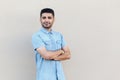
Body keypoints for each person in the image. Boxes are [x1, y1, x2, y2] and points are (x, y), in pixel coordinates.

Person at [32, 8, 71, 80]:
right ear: (40, 19)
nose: (46, 20)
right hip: (45, 77)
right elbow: (46, 55)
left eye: (49, 18)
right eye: (44, 18)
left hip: (60, 77)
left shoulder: (59, 35)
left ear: (53, 19)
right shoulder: (37, 36)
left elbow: (68, 55)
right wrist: (61, 51)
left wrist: (51, 56)